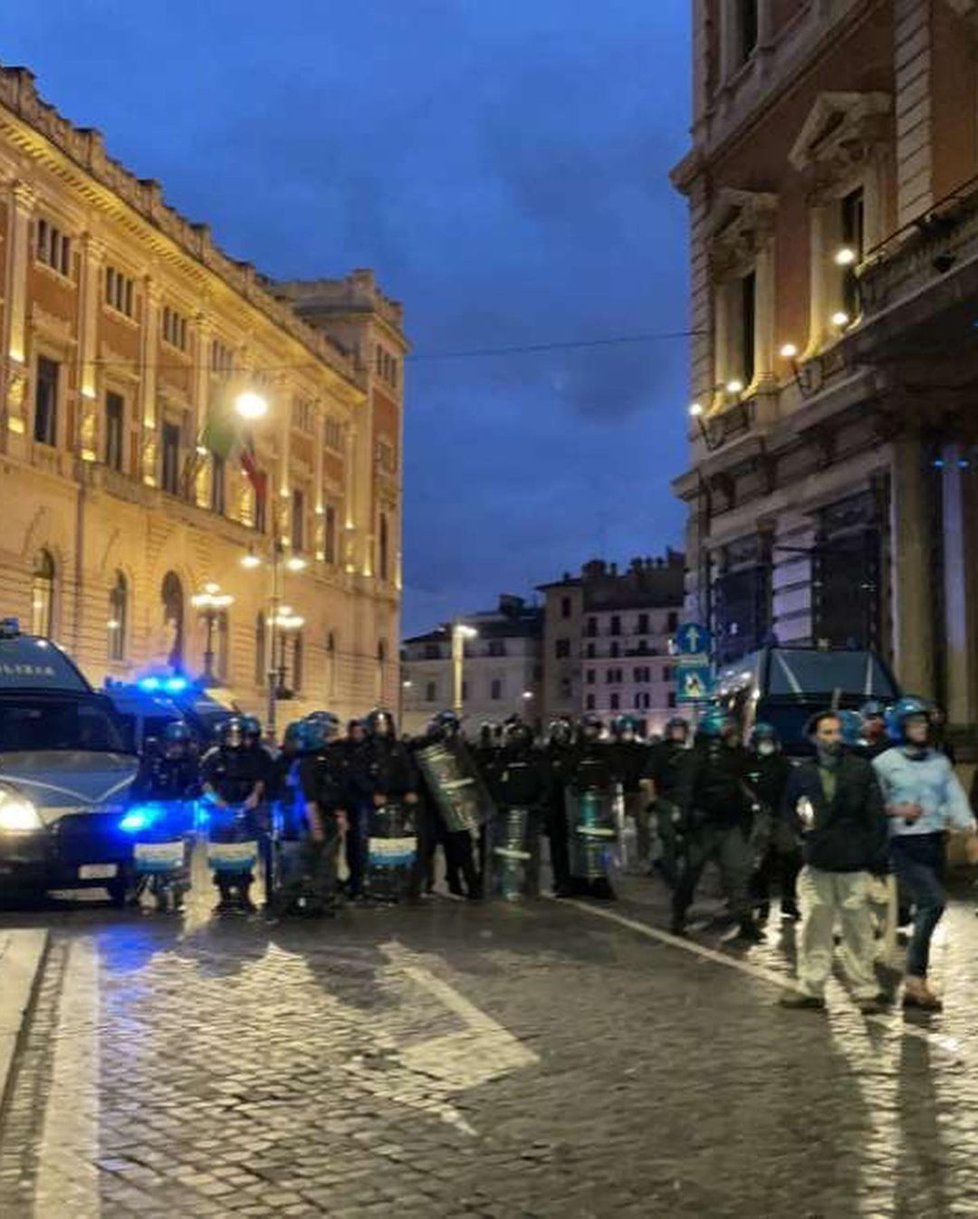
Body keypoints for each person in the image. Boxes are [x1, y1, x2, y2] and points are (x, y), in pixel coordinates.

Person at [778, 711, 889, 1013]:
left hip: (853, 860)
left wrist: (875, 856)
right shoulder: (803, 772)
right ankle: (811, 987)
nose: (833, 738)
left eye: (837, 732)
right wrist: (800, 830)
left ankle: (865, 989)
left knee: (858, 929)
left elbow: (875, 816)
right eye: (827, 733)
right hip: (818, 860)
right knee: (815, 926)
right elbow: (788, 807)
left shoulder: (860, 770)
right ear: (814, 737)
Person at [872, 697, 978, 1010]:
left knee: (926, 910)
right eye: (914, 724)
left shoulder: (939, 762)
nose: (921, 729)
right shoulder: (883, 762)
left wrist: (971, 828)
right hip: (903, 843)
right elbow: (870, 805)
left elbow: (955, 798)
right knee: (933, 902)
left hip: (934, 841)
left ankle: (913, 980)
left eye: (923, 723)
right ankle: (915, 979)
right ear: (899, 728)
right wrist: (896, 809)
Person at [670, 709, 761, 940]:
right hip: (703, 826)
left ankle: (745, 921)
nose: (733, 732)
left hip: (730, 823)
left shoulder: (737, 754)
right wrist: (684, 821)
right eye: (728, 727)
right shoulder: (695, 757)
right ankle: (678, 916)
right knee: (690, 873)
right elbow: (684, 791)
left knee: (737, 873)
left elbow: (747, 784)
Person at [129, 720, 200, 912]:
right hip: (155, 808)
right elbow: (139, 782)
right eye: (171, 744)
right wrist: (136, 802)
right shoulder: (152, 760)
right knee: (151, 848)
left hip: (182, 810)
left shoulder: (191, 762)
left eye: (180, 745)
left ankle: (178, 894)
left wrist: (194, 796)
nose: (175, 749)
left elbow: (199, 784)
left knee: (184, 852)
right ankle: (141, 887)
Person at [200, 716, 268, 914]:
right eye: (230, 735)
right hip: (221, 809)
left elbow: (259, 779)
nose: (234, 739)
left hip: (245, 808)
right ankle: (224, 897)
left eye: (238, 735)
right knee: (221, 853)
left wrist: (255, 796)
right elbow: (205, 782)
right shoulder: (213, 756)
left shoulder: (251, 756)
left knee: (244, 853)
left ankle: (245, 895)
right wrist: (216, 800)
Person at [484, 717, 551, 899]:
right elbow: (492, 782)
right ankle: (501, 884)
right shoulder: (501, 757)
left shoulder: (536, 757)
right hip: (505, 812)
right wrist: (498, 803)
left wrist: (539, 803)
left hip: (529, 811)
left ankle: (530, 886)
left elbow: (545, 782)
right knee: (502, 850)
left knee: (529, 852)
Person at [362, 708, 420, 902]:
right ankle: (374, 884)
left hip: (398, 802)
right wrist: (373, 793)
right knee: (373, 845)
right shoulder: (365, 749)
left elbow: (408, 770)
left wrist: (410, 790)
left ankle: (399, 883)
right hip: (374, 804)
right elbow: (359, 775)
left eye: (385, 724)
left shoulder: (398, 747)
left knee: (398, 844)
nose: (382, 728)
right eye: (378, 724)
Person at [293, 713, 348, 915]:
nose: (333, 737)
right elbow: (310, 797)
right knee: (318, 861)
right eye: (328, 734)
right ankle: (315, 901)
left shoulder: (327, 758)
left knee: (328, 861)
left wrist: (341, 816)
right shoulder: (308, 763)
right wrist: (315, 825)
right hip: (316, 817)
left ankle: (323, 897)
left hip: (329, 815)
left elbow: (336, 789)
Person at [746, 722, 799, 923]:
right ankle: (761, 902)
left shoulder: (783, 764)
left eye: (768, 740)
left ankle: (788, 900)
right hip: (758, 818)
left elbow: (793, 788)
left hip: (781, 817)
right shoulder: (747, 763)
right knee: (759, 863)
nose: (765, 744)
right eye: (762, 741)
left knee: (791, 859)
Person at [564, 714, 617, 900]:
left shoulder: (605, 750)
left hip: (600, 800)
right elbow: (567, 772)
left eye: (594, 728)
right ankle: (579, 878)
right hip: (579, 799)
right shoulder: (575, 750)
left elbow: (615, 771)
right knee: (579, 840)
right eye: (588, 728)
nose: (591, 732)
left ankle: (600, 878)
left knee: (598, 841)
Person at [640, 716, 689, 886]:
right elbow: (648, 777)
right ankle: (672, 878)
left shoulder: (689, 752)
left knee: (689, 841)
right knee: (669, 838)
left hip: (685, 801)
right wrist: (652, 798)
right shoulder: (660, 751)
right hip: (665, 799)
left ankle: (662, 863)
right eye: (675, 729)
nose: (678, 733)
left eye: (681, 729)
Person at [608, 715, 649, 872]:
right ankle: (616, 855)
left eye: (630, 731)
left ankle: (643, 858)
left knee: (643, 825)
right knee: (617, 824)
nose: (627, 734)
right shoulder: (612, 749)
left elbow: (647, 767)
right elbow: (609, 768)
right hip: (619, 791)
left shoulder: (641, 749)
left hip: (638, 790)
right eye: (624, 731)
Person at [543, 717, 576, 897]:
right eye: (557, 733)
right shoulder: (547, 754)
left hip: (572, 804)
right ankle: (562, 880)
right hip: (555, 806)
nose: (560, 736)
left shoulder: (574, 752)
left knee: (574, 844)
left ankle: (577, 878)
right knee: (558, 846)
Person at [342, 718, 373, 900]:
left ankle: (359, 881)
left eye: (360, 731)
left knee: (361, 844)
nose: (357, 735)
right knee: (353, 843)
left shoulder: (370, 750)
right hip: (351, 801)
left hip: (363, 801)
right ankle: (354, 879)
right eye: (354, 731)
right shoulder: (346, 749)